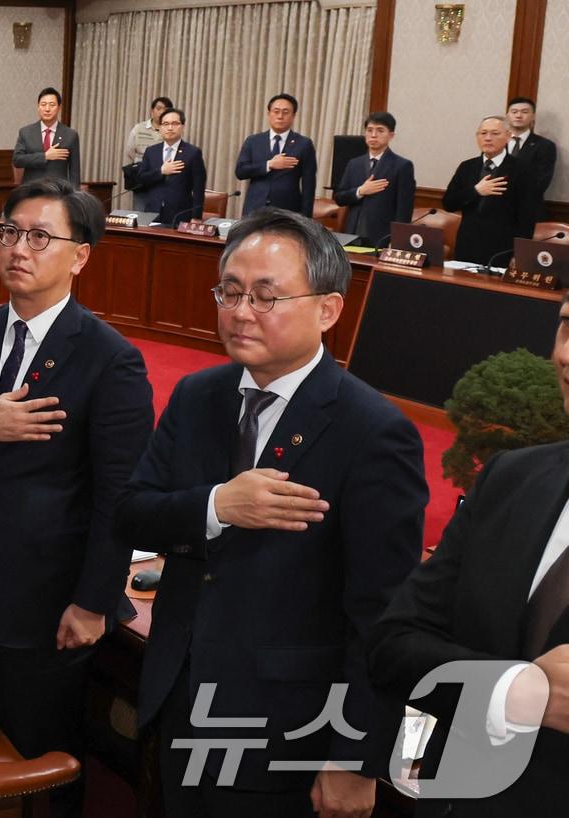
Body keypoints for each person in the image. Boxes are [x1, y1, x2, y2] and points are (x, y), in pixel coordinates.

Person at [117, 208, 427, 817]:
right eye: (229, 293)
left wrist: (354, 757)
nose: (239, 312)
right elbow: (133, 513)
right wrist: (217, 505)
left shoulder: (373, 431)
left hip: (285, 724)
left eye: (265, 297)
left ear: (328, 310)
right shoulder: (198, 394)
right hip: (178, 692)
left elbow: (383, 615)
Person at [0, 178, 154, 818]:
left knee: (46, 752)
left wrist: (94, 601)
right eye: (9, 232)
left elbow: (119, 495)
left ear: (80, 255)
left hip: (51, 594)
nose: (19, 247)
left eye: (40, 236)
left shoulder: (109, 359)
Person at [370, 291, 569, 817]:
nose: (567, 353)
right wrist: (511, 690)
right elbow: (394, 647)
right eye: (568, 325)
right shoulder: (510, 478)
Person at [443, 115, 537, 266]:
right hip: (467, 246)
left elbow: (527, 217)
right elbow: (448, 203)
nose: (488, 138)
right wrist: (476, 191)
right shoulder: (467, 167)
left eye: (495, 133)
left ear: (508, 136)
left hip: (502, 249)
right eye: (483, 133)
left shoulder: (522, 169)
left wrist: (520, 254)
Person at [332, 112, 415, 246]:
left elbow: (404, 210)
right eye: (369, 130)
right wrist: (360, 191)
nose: (373, 135)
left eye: (380, 131)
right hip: (351, 235)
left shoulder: (402, 166)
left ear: (391, 135)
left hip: (381, 237)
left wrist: (397, 240)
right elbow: (339, 198)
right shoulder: (354, 164)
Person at [235, 93, 317, 217]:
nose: (280, 116)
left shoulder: (304, 144)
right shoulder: (253, 141)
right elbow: (241, 172)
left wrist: (306, 217)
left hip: (288, 210)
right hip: (255, 208)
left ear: (293, 116)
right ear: (269, 114)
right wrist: (269, 164)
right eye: (276, 111)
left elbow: (309, 184)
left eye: (285, 112)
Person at [134, 107, 208, 226]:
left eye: (175, 124)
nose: (170, 128)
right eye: (165, 124)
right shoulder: (151, 151)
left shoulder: (193, 153)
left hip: (180, 214)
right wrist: (161, 171)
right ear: (160, 128)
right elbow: (141, 179)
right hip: (152, 212)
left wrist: (196, 217)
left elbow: (199, 188)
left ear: (182, 127)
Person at [12, 87, 80, 186]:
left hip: (58, 192)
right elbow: (17, 160)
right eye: (43, 104)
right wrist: (45, 156)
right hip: (31, 191)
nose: (47, 109)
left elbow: (75, 172)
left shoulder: (70, 135)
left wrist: (74, 198)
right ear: (38, 107)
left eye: (52, 105)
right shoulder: (26, 132)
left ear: (59, 108)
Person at [507, 97, 559, 222]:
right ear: (507, 115)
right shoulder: (496, 142)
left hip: (527, 212)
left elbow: (540, 183)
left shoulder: (545, 146)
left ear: (533, 116)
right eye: (514, 112)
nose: (519, 115)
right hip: (493, 211)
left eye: (524, 112)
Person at [126, 96, 172, 165]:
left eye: (165, 110)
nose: (162, 112)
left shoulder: (171, 130)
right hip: (141, 169)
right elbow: (130, 151)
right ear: (152, 111)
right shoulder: (138, 128)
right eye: (158, 109)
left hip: (163, 170)